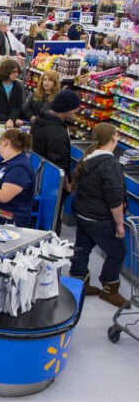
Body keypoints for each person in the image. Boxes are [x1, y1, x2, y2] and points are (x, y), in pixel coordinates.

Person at [69, 123, 128, 307]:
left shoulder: (88, 158)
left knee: (82, 247)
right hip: (99, 218)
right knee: (118, 251)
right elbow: (115, 199)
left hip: (83, 212)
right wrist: (119, 224)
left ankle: (79, 282)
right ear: (113, 138)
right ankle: (110, 288)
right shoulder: (111, 164)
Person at [31, 89, 81, 235]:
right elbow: (60, 163)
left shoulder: (41, 120)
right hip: (52, 184)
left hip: (39, 174)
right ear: (66, 109)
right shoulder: (57, 132)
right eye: (74, 109)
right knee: (52, 219)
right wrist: (67, 185)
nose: (75, 113)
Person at [0, 59, 25, 127]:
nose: (16, 74)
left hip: (12, 123)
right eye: (14, 72)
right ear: (6, 71)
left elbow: (18, 107)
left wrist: (11, 119)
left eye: (17, 72)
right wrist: (6, 119)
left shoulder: (18, 87)